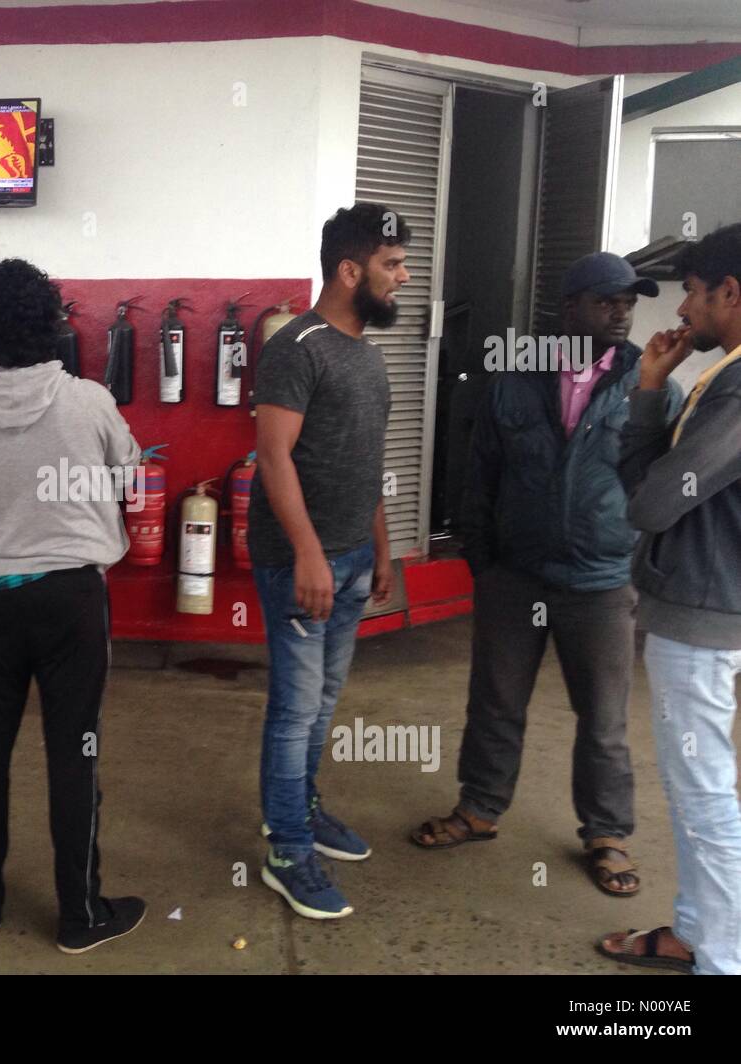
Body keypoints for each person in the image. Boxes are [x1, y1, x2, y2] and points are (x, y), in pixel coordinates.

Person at [412, 252, 680, 898]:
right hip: (517, 573)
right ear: (569, 309)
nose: (621, 313)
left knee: (604, 716)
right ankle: (480, 809)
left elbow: (662, 482)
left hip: (601, 577)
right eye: (607, 301)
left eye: (628, 302)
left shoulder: (649, 383)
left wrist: (636, 557)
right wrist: (484, 559)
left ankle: (607, 833)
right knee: (496, 701)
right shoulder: (514, 379)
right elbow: (480, 474)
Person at [0, 257, 146, 953]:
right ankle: (80, 914)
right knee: (74, 752)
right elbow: (132, 476)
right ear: (51, 323)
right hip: (71, 600)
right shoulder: (89, 401)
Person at [249, 203, 403, 919]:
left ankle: (302, 812)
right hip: (298, 564)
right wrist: (309, 553)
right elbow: (271, 457)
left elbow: (366, 466)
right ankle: (286, 850)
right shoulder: (297, 346)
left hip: (348, 560)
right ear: (350, 271)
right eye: (391, 266)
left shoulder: (368, 357)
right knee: (294, 710)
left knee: (322, 706)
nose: (401, 278)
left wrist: (383, 550)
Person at [600, 223, 741, 975]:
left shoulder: (740, 388)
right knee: (694, 789)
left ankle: (723, 960)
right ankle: (698, 932)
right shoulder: (721, 379)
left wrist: (651, 424)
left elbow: (651, 502)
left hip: (704, 612)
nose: (682, 310)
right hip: (696, 603)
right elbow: (654, 489)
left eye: (690, 292)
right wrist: (652, 390)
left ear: (730, 292)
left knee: (706, 793)